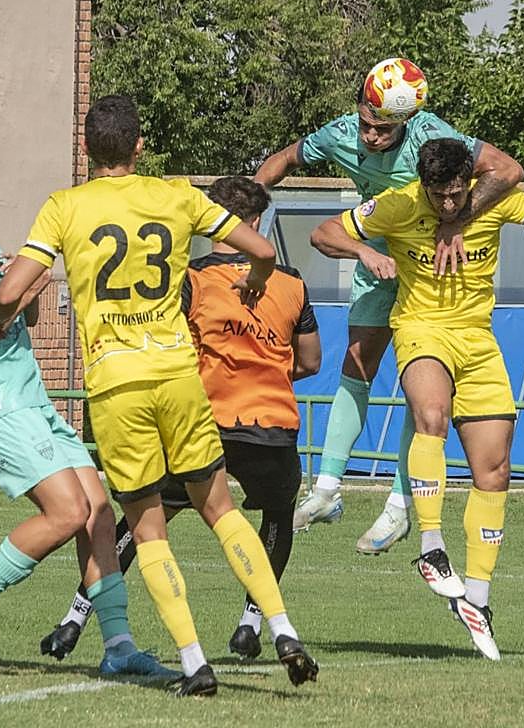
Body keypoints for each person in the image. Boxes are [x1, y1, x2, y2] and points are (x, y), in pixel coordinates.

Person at [0, 97, 318, 697]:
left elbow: (12, 290)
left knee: (147, 529)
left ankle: (194, 663)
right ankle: (282, 628)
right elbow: (263, 251)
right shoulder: (177, 196)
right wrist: (257, 281)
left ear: (86, 149)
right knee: (221, 508)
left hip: (116, 384)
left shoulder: (65, 206)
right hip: (177, 375)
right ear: (140, 146)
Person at [309, 138, 524, 659]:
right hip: (421, 329)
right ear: (424, 185)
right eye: (439, 196)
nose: (449, 204)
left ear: (468, 181)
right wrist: (367, 251)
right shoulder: (398, 204)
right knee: (431, 415)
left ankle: (477, 599)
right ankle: (431, 546)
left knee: (494, 470)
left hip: (478, 340)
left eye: (457, 193)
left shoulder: (496, 199)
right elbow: (323, 233)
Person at [38, 175, 322, 664]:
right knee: (275, 517)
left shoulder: (192, 279)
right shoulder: (291, 282)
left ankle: (75, 617)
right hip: (271, 422)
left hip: (204, 416)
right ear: (256, 222)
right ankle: (254, 623)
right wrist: (265, 365)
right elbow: (311, 360)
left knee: (143, 521)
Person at [0, 143, 173, 680]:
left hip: (33, 400)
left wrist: (28, 284)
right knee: (68, 512)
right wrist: (10, 303)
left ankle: (119, 646)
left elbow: (26, 317)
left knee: (98, 510)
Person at [255, 57, 524, 555]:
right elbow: (285, 159)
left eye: (383, 129)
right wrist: (246, 210)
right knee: (355, 364)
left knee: (424, 393)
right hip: (377, 260)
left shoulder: (431, 133)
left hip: (428, 270)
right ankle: (327, 490)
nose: (370, 136)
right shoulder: (341, 134)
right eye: (366, 122)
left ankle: (400, 507)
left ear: (407, 121)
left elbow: (508, 170)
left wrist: (456, 220)